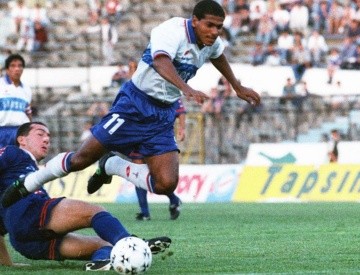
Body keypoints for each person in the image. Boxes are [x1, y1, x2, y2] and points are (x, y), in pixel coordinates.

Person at [2, 0, 261, 208]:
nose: (215, 32)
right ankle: (27, 184)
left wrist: (237, 86)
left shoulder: (212, 42)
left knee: (166, 184)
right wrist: (186, 88)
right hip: (134, 104)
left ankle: (112, 165)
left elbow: (219, 56)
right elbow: (160, 62)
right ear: (195, 21)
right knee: (81, 160)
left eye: (219, 27)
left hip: (163, 114)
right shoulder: (171, 30)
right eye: (210, 26)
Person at [0, 122, 171, 270]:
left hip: (25, 243)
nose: (46, 139)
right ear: (21, 139)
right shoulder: (13, 152)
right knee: (94, 212)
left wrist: (7, 263)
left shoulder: (25, 170)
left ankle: (103, 260)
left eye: (48, 136)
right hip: (29, 213)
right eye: (40, 134)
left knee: (108, 245)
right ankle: (131, 242)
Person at [135, 98, 186, 221]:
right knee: (137, 171)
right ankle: (145, 212)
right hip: (138, 135)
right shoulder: (140, 90)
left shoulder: (166, 91)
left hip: (158, 139)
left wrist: (182, 128)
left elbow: (181, 111)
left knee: (156, 175)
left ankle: (173, 199)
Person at [0, 54, 32, 148]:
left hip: (20, 132)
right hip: (2, 130)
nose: (17, 69)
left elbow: (28, 112)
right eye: (13, 66)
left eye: (20, 66)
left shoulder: (27, 89)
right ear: (7, 69)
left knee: (19, 160)